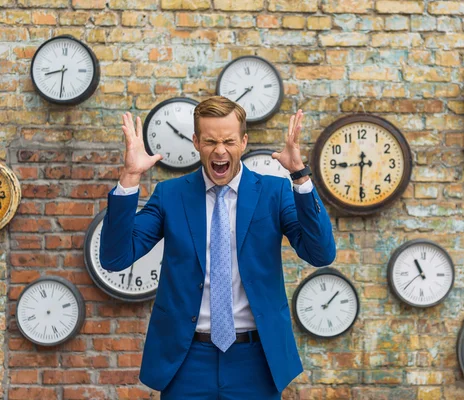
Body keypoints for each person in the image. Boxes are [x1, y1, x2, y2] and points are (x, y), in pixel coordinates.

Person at [99, 96, 336, 399]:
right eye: (210, 141)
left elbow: (321, 254)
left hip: (256, 360)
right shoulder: (170, 195)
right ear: (196, 142)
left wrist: (300, 176)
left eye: (229, 141)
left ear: (244, 141)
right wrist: (130, 177)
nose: (220, 150)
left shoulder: (273, 193)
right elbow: (115, 258)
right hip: (186, 360)